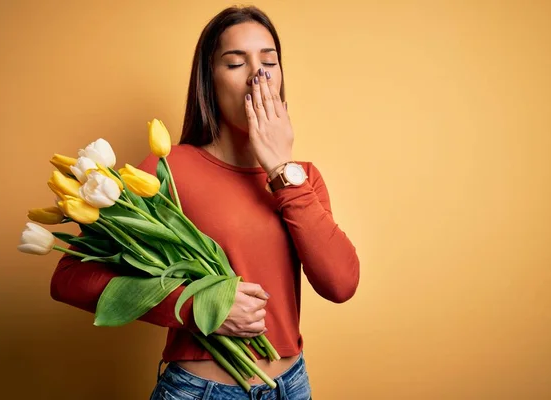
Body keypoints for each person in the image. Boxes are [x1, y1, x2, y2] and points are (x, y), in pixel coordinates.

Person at [50, 5, 360, 400]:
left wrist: (281, 168)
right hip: (201, 391)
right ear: (208, 82)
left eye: (269, 61)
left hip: (292, 386)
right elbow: (69, 279)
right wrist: (199, 305)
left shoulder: (300, 178)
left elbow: (341, 283)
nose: (258, 77)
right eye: (235, 63)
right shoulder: (167, 171)